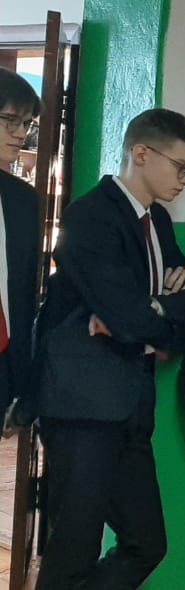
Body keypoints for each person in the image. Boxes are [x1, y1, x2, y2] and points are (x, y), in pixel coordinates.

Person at [36, 108, 185, 589]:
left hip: (131, 405)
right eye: (181, 167)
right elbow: (127, 318)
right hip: (83, 405)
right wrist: (147, 313)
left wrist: (151, 308)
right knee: (73, 548)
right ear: (142, 153)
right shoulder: (91, 215)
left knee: (146, 543)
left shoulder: (158, 222)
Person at [0, 68, 41, 427]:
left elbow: (24, 292)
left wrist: (23, 383)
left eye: (26, 123)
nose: (20, 133)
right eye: (10, 120)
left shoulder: (23, 200)